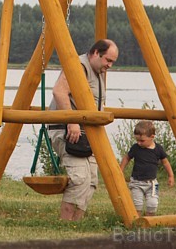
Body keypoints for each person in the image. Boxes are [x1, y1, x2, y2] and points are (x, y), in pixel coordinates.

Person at [47, 38, 118, 221]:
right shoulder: (79, 66)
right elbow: (59, 91)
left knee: (91, 181)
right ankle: (65, 224)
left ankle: (76, 224)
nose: (110, 65)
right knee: (79, 179)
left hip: (88, 133)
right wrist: (72, 121)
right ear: (96, 53)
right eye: (108, 60)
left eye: (112, 62)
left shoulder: (97, 71)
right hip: (69, 130)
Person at [119, 120, 175, 216]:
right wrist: (120, 170)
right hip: (136, 182)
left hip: (152, 183)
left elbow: (165, 162)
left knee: (152, 204)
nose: (139, 143)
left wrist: (171, 176)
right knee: (137, 204)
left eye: (142, 141)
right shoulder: (136, 148)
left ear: (152, 137)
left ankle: (149, 221)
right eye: (137, 140)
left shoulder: (158, 149)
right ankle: (136, 221)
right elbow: (127, 157)